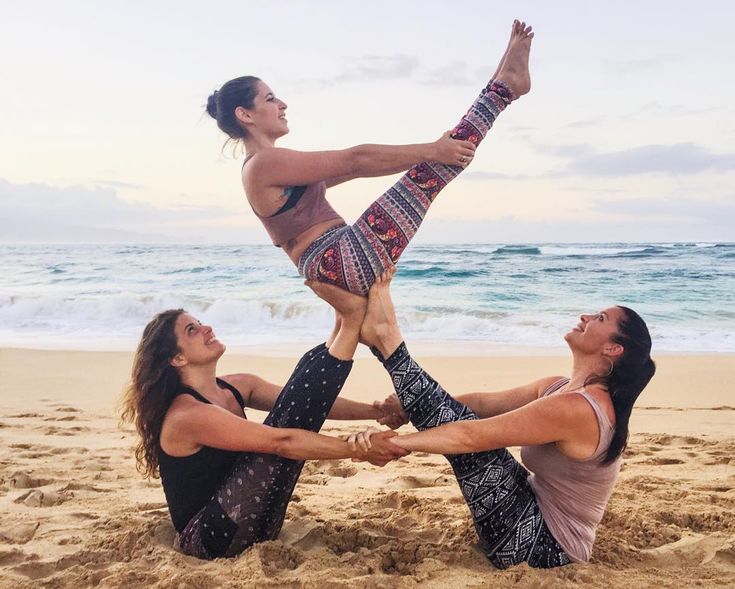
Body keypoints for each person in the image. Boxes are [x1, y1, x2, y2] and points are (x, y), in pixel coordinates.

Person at [308, 270, 656, 569]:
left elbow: (471, 439)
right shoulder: (558, 388)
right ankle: (385, 339)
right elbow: (481, 403)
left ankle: (387, 340)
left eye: (599, 319)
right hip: (530, 509)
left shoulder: (579, 409)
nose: (585, 316)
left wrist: (395, 444)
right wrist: (408, 408)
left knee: (473, 442)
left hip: (544, 549)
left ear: (613, 349)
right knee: (463, 419)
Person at [206, 21, 534, 295]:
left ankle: (501, 84)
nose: (283, 104)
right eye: (270, 98)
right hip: (339, 259)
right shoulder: (263, 164)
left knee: (433, 166)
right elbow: (356, 159)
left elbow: (357, 170)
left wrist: (430, 153)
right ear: (245, 115)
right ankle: (503, 88)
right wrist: (433, 150)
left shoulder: (270, 166)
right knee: (432, 170)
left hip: (335, 261)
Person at [120, 292, 406, 560]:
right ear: (177, 358)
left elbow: (310, 400)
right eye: (191, 331)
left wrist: (378, 412)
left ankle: (346, 319)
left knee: (298, 392)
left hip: (256, 521)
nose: (206, 328)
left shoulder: (238, 385)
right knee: (283, 429)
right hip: (213, 539)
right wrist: (358, 450)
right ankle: (350, 320)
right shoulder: (187, 415)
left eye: (199, 322)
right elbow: (280, 442)